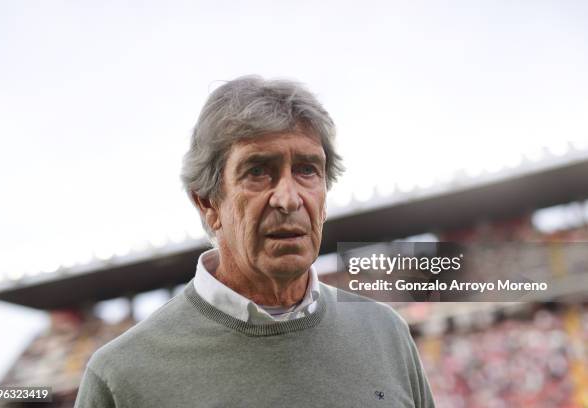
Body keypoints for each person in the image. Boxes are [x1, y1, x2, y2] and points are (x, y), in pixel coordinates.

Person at [75, 76, 435, 407]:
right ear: (207, 201)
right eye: (258, 171)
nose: (289, 199)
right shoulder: (121, 376)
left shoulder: (386, 333)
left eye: (307, 169)